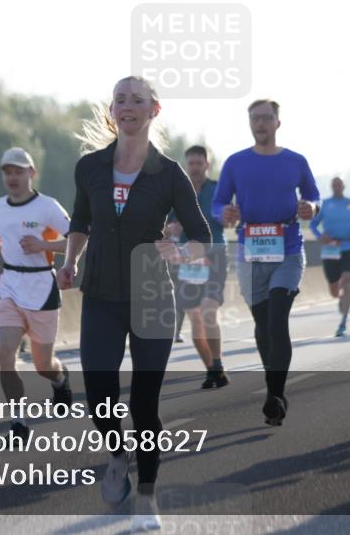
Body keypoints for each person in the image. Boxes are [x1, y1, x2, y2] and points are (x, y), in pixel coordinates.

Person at [57, 76, 211, 530]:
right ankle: (116, 454)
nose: (127, 106)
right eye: (120, 99)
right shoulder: (90, 167)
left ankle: (146, 495)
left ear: (153, 110)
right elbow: (80, 220)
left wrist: (179, 252)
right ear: (112, 110)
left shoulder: (169, 173)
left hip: (151, 296)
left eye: (136, 100)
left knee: (144, 405)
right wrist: (69, 261)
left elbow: (202, 237)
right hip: (100, 296)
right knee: (99, 396)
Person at [212, 99, 320, 426]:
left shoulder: (295, 161)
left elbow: (314, 196)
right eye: (255, 118)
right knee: (263, 326)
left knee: (276, 320)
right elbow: (218, 203)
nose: (260, 123)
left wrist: (311, 208)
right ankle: (275, 391)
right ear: (250, 124)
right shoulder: (235, 163)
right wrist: (224, 213)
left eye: (266, 118)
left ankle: (275, 395)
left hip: (288, 249)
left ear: (277, 122)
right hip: (250, 253)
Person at [0, 147, 73, 441]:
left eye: (18, 171)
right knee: (5, 353)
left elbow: (77, 239)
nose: (12, 177)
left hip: (42, 288)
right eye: (7, 172)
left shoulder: (47, 207)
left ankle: (60, 378)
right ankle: (18, 421)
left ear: (31, 173)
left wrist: (44, 246)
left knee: (43, 365)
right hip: (9, 286)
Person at [164, 145, 230, 390]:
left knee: (209, 312)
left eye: (198, 163)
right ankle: (212, 370)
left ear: (207, 165)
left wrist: (229, 217)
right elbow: (167, 224)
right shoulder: (177, 190)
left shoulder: (217, 190)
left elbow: (228, 219)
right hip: (187, 258)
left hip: (215, 255)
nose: (194, 168)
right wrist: (171, 228)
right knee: (195, 318)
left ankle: (218, 363)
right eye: (190, 163)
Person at [311, 177, 350, 337]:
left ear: (343, 186)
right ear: (331, 187)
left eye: (339, 184)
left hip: (349, 246)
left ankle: (343, 322)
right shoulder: (325, 204)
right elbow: (313, 224)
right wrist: (320, 236)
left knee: (347, 280)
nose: (337, 187)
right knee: (334, 289)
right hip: (330, 249)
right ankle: (339, 297)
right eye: (334, 185)